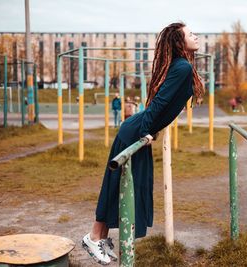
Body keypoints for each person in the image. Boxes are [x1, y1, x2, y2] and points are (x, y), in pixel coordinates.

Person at [82, 22, 204, 265]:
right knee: (117, 186)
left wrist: (151, 131)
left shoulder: (182, 65)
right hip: (135, 131)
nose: (196, 36)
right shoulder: (181, 67)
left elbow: (163, 107)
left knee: (125, 187)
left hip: (140, 130)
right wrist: (147, 131)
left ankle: (101, 238)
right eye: (191, 34)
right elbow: (159, 104)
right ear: (180, 42)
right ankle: (93, 236)